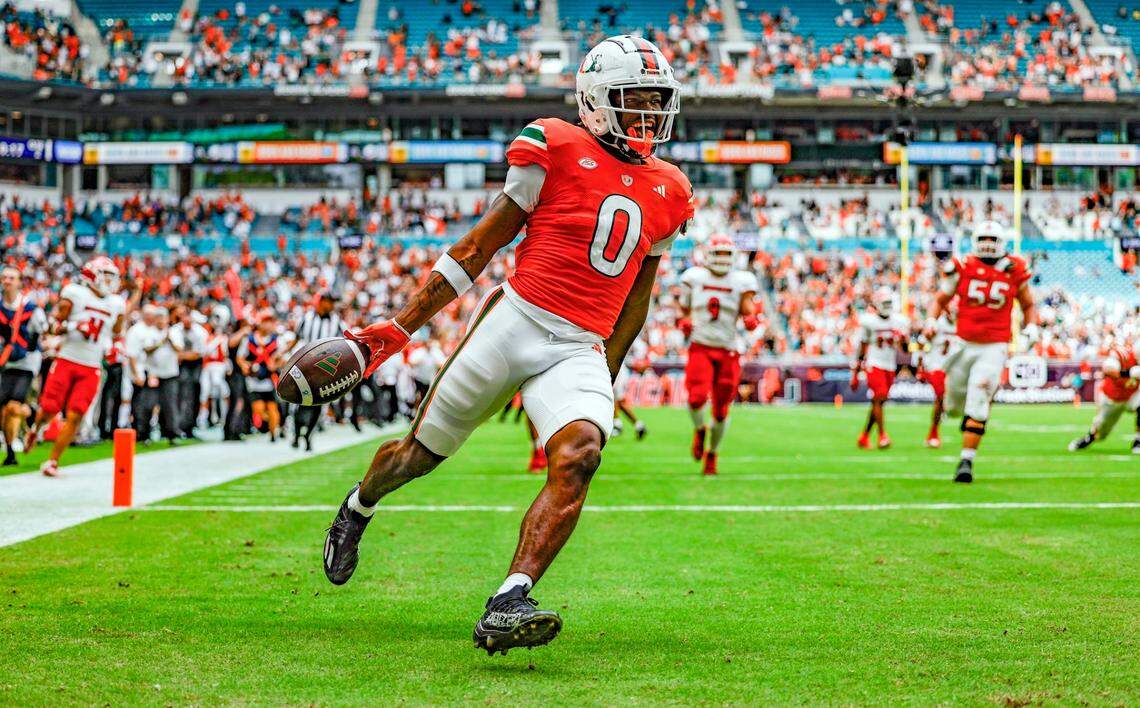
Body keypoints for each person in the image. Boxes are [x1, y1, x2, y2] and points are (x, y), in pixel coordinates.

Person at [322, 35, 692, 655]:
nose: (650, 116)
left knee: (581, 455)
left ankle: (508, 599)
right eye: (636, 101)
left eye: (658, 102)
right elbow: (477, 247)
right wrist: (401, 325)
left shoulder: (672, 187)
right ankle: (358, 506)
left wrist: (606, 370)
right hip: (516, 320)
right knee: (419, 456)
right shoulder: (552, 143)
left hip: (580, 345)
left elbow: (638, 296)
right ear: (597, 101)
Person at [927, 221, 1036, 483]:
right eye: (983, 238)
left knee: (980, 393)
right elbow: (940, 300)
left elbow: (1028, 304)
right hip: (963, 344)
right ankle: (963, 422)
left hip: (995, 345)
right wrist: (931, 320)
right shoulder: (962, 266)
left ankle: (966, 460)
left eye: (992, 238)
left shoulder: (1014, 268)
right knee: (953, 407)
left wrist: (1031, 327)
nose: (987, 243)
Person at [25, 257, 126, 477]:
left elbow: (117, 334)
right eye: (105, 276)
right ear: (92, 276)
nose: (109, 282)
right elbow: (51, 326)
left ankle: (52, 461)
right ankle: (36, 428)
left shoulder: (117, 303)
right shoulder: (75, 294)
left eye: (112, 277)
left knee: (76, 415)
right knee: (51, 408)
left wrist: (115, 348)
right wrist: (74, 326)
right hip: (67, 359)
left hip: (91, 366)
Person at [679, 234, 759, 475]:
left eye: (727, 254)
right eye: (719, 254)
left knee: (722, 410)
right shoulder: (694, 277)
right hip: (701, 345)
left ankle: (712, 454)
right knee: (695, 398)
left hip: (728, 349)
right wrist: (684, 321)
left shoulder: (741, 280)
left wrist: (751, 318)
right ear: (709, 256)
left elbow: (748, 309)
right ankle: (699, 429)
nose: (723, 259)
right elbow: (683, 309)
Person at [852, 287, 909, 450]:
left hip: (889, 365)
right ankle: (882, 435)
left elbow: (905, 349)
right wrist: (855, 373)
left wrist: (903, 338)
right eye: (885, 302)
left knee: (879, 401)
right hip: (874, 363)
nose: (887, 305)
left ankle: (864, 436)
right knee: (879, 396)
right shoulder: (869, 321)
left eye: (889, 302)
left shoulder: (898, 321)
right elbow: (861, 349)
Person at [0, 267, 47, 466]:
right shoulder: (1, 307)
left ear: (19, 282)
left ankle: (33, 415)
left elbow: (41, 332)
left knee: (12, 405)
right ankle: (10, 452)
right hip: (6, 360)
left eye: (11, 277)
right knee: (4, 409)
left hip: (27, 362)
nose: (7, 280)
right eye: (4, 277)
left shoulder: (30, 307)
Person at [292, 292, 345, 450]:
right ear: (321, 302)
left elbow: (343, 343)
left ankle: (308, 436)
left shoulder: (336, 321)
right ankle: (296, 434)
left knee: (318, 404)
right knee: (300, 401)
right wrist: (283, 355)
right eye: (329, 302)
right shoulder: (306, 318)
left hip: (324, 370)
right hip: (305, 367)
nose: (331, 306)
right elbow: (296, 339)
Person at [1069, 337, 1140, 453]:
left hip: (1131, 396)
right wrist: (1129, 373)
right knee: (1100, 433)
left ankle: (1138, 441)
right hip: (1111, 399)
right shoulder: (1122, 355)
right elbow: (1107, 370)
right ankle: (1089, 438)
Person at [237, 310, 282, 442]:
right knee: (259, 409)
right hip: (254, 379)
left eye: (270, 322)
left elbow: (282, 357)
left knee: (273, 407)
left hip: (269, 378)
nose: (268, 325)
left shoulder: (276, 340)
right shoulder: (249, 339)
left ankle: (274, 432)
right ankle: (272, 425)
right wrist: (245, 366)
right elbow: (240, 357)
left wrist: (275, 364)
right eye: (265, 321)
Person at [142, 307, 183, 446]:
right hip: (154, 373)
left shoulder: (174, 332)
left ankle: (171, 433)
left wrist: (169, 340)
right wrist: (160, 343)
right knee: (149, 404)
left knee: (170, 405)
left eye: (163, 318)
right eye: (158, 318)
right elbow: (146, 349)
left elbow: (180, 349)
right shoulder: (150, 332)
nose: (160, 321)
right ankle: (145, 433)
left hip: (170, 373)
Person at [915, 312, 957, 448]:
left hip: (951, 368)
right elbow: (921, 342)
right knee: (940, 396)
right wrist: (920, 367)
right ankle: (933, 433)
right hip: (935, 366)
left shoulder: (960, 323)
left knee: (945, 398)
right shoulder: (936, 324)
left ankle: (937, 425)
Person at [171, 305, 208, 438]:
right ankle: (179, 425)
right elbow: (175, 350)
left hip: (194, 365)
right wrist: (183, 355)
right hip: (179, 365)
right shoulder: (176, 330)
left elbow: (198, 354)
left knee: (193, 394)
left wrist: (182, 355)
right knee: (180, 395)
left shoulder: (200, 332)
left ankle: (189, 425)